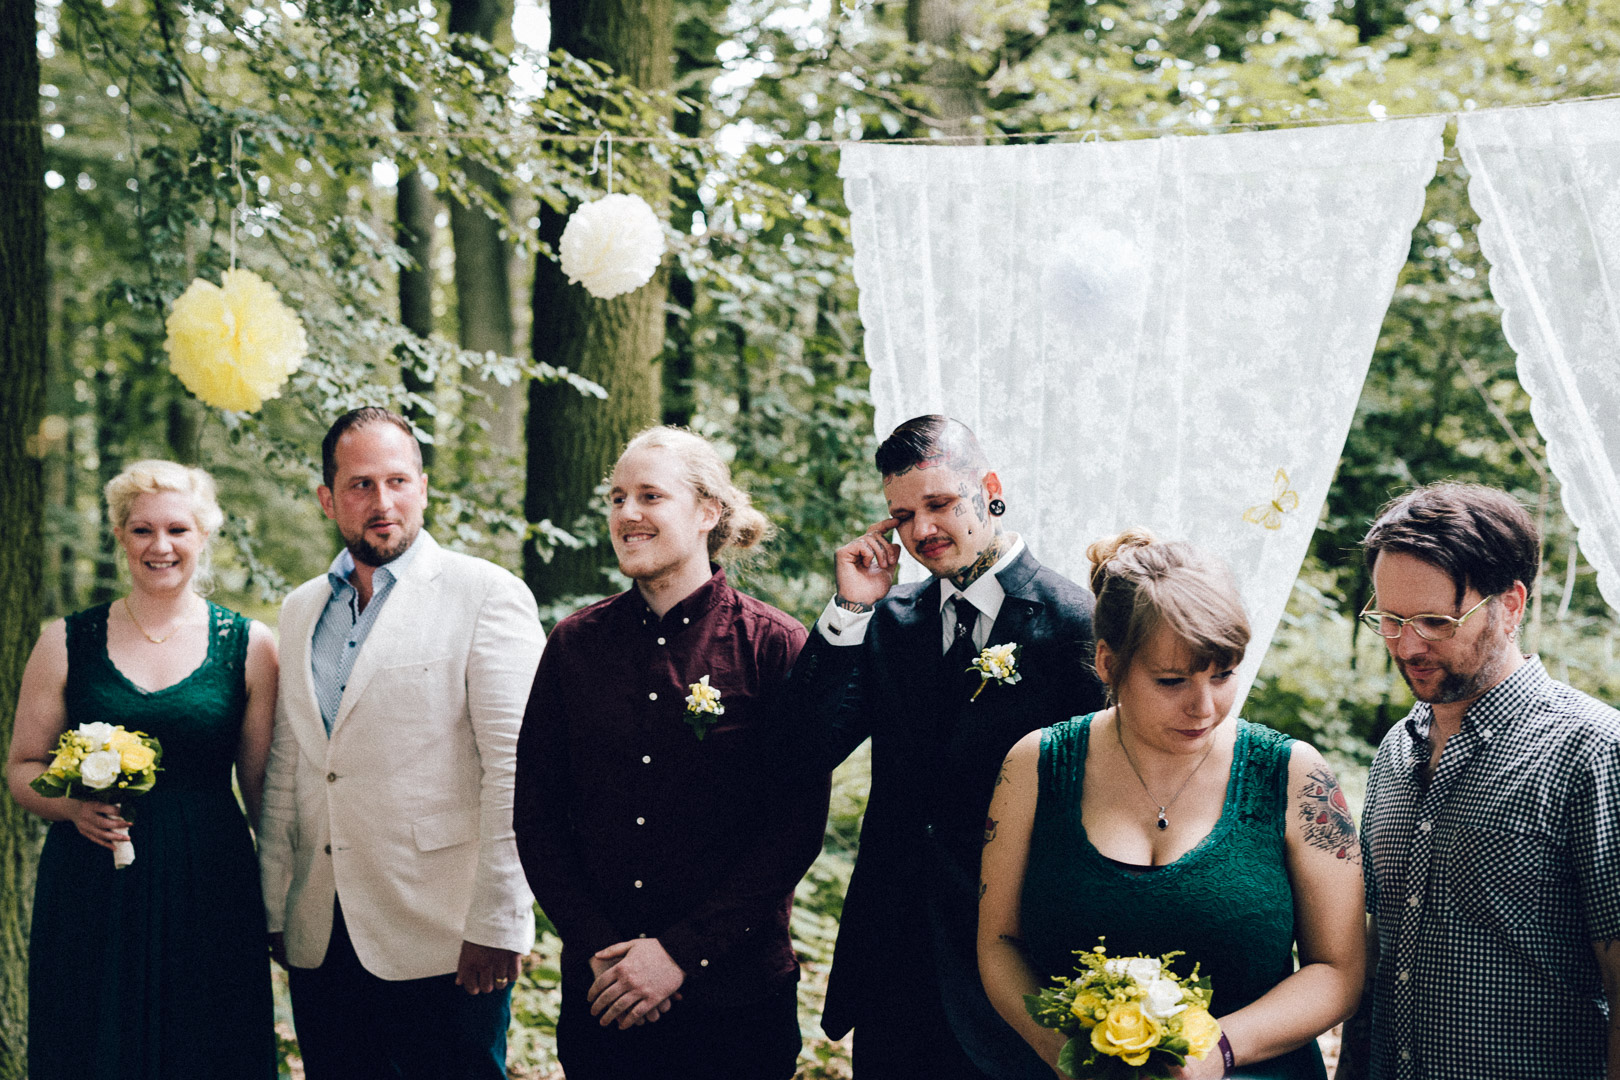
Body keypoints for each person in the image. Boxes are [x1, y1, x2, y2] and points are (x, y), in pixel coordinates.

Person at [781, 414, 1108, 1078]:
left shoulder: (1077, 623)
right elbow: (801, 750)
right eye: (903, 516)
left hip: (1015, 970)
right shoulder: (889, 620)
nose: (922, 530)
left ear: (990, 491)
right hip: (893, 966)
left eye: (940, 503)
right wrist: (850, 611)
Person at [979, 531, 1365, 1080]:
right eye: (1171, 681)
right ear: (1108, 663)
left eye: (1223, 674)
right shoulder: (1034, 766)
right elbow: (999, 943)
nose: (1204, 706)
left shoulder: (1295, 775)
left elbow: (1338, 970)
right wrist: (1064, 1052)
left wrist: (1220, 1050)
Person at [513, 426, 830, 1080]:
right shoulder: (573, 646)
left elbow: (793, 828)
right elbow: (537, 815)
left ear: (707, 512)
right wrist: (601, 946)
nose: (627, 513)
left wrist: (681, 954)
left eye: (650, 496)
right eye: (617, 498)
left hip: (737, 1003)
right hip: (605, 998)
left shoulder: (774, 646)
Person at [258, 407, 545, 1080]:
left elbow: (519, 770)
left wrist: (500, 922)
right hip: (322, 931)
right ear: (328, 499)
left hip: (444, 933)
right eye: (360, 485)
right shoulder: (300, 610)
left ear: (423, 487)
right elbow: (290, 766)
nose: (381, 503)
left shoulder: (486, 595)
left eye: (397, 481)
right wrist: (275, 902)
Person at [1336, 482, 1620, 1080]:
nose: (1407, 644)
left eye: (1435, 621)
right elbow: (1375, 960)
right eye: (1389, 619)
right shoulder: (1394, 750)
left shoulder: (1595, 750)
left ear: (1510, 606)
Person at [7, 460, 279, 1080]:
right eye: (142, 530)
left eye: (178, 529)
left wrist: (283, 899)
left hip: (210, 882)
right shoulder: (65, 641)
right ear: (119, 536)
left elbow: (265, 792)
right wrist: (72, 808)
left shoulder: (251, 645)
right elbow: (22, 767)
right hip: (92, 882)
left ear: (203, 535)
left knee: (206, 1046)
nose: (161, 546)